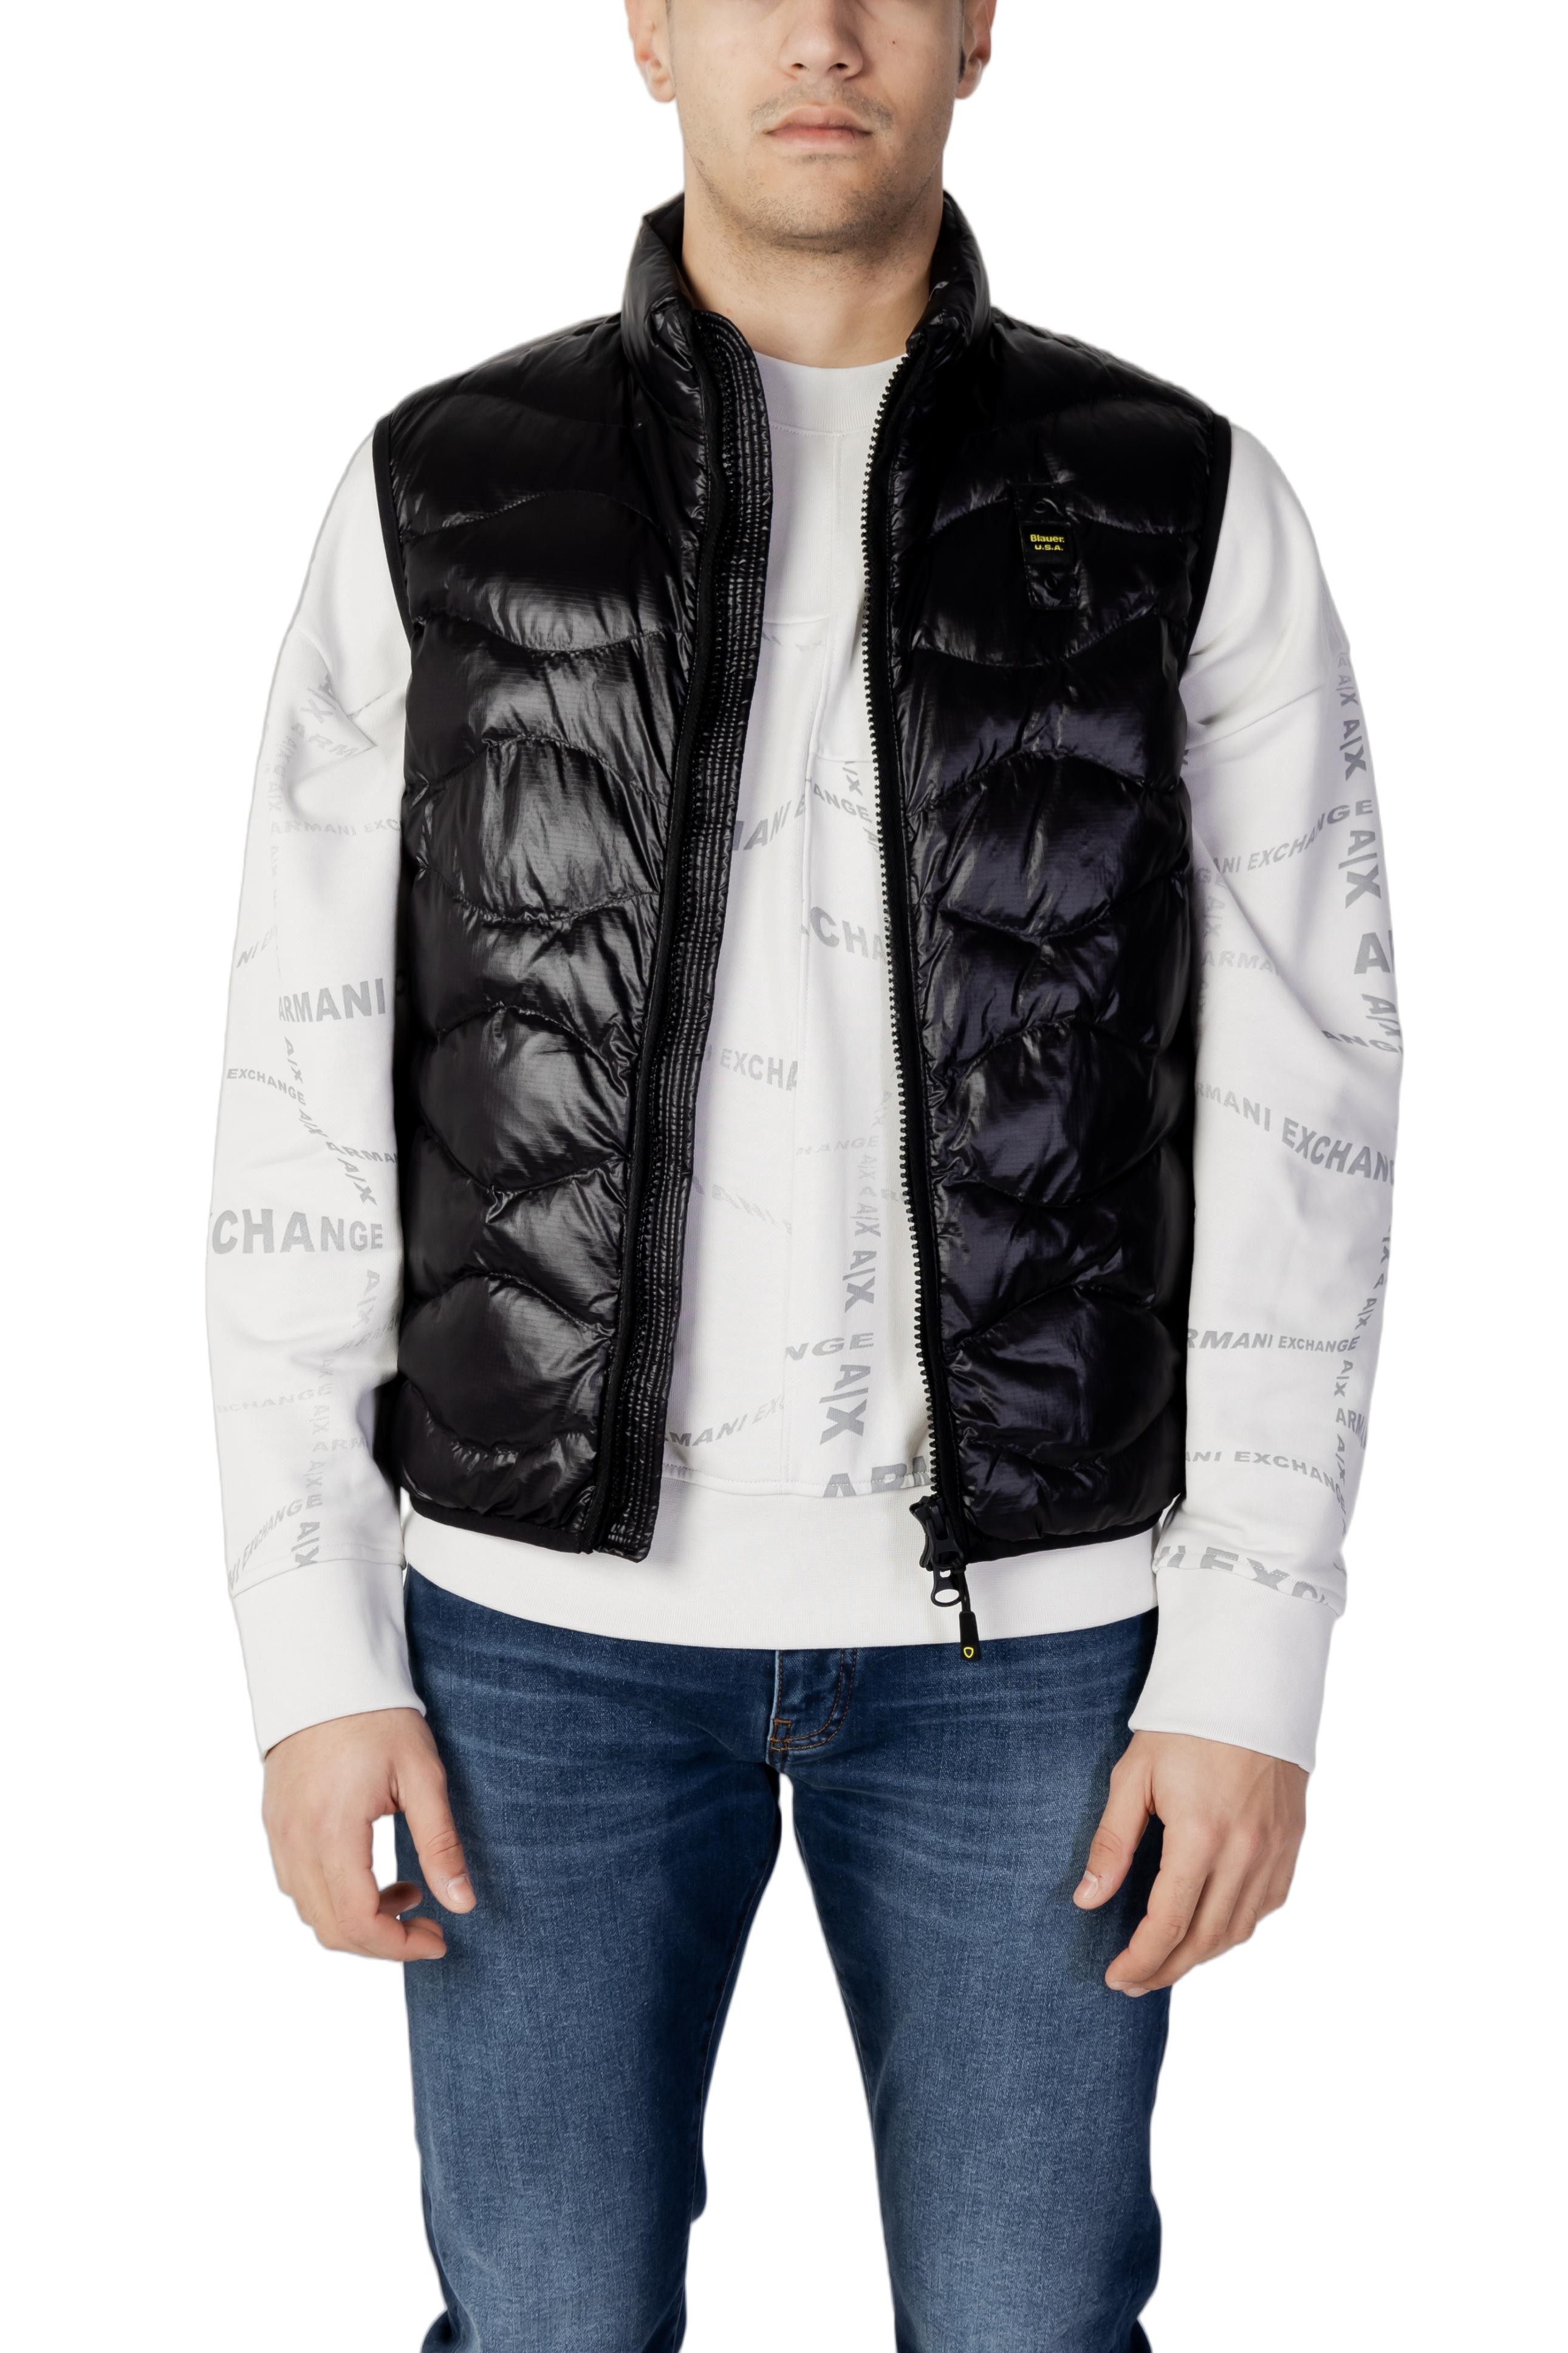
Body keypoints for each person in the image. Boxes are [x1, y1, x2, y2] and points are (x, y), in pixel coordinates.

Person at [205, 3, 1401, 2344]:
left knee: (1033, 2324)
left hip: (1040, 1649)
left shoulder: (1180, 497)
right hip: (533, 1642)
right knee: (545, 2325)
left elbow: (1312, 1102)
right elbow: (303, 1083)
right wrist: (308, 1655)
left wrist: (1255, 1658)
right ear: (650, 29)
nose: (824, 34)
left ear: (979, 26)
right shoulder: (443, 491)